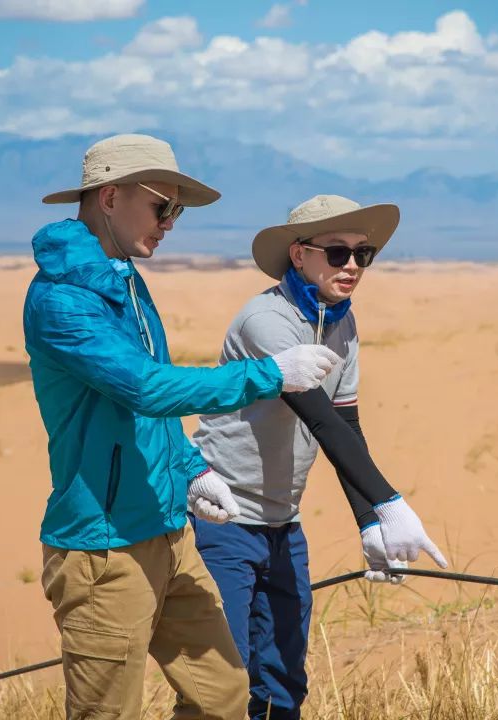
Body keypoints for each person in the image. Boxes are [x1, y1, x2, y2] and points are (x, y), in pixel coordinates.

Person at [23, 134, 341, 720]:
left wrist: (189, 469)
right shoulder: (62, 302)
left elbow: (146, 409)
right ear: (111, 197)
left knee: (220, 696)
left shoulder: (124, 279)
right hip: (105, 550)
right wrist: (269, 374)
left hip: (170, 532)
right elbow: (146, 386)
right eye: (162, 206)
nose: (171, 222)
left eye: (179, 210)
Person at [187, 194, 449, 720]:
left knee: (286, 682)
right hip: (222, 519)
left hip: (284, 524)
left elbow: (347, 422)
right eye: (337, 253)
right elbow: (320, 420)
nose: (352, 266)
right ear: (299, 254)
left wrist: (368, 522)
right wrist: (389, 504)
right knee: (227, 683)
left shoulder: (342, 325)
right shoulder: (267, 321)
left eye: (363, 254)